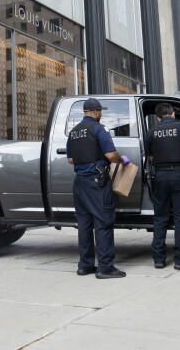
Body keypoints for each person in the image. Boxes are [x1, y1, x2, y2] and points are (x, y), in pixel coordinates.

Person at [66, 98, 128, 279]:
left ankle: (85, 265)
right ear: (95, 111)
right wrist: (121, 159)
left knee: (84, 225)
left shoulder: (74, 132)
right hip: (96, 182)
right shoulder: (99, 129)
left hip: (80, 183)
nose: (101, 114)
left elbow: (70, 160)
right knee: (103, 222)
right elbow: (111, 155)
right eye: (100, 111)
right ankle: (105, 268)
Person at [145, 102, 180, 270]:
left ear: (158, 117)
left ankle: (159, 260)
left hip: (160, 176)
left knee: (160, 217)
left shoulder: (151, 132)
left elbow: (150, 157)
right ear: (173, 113)